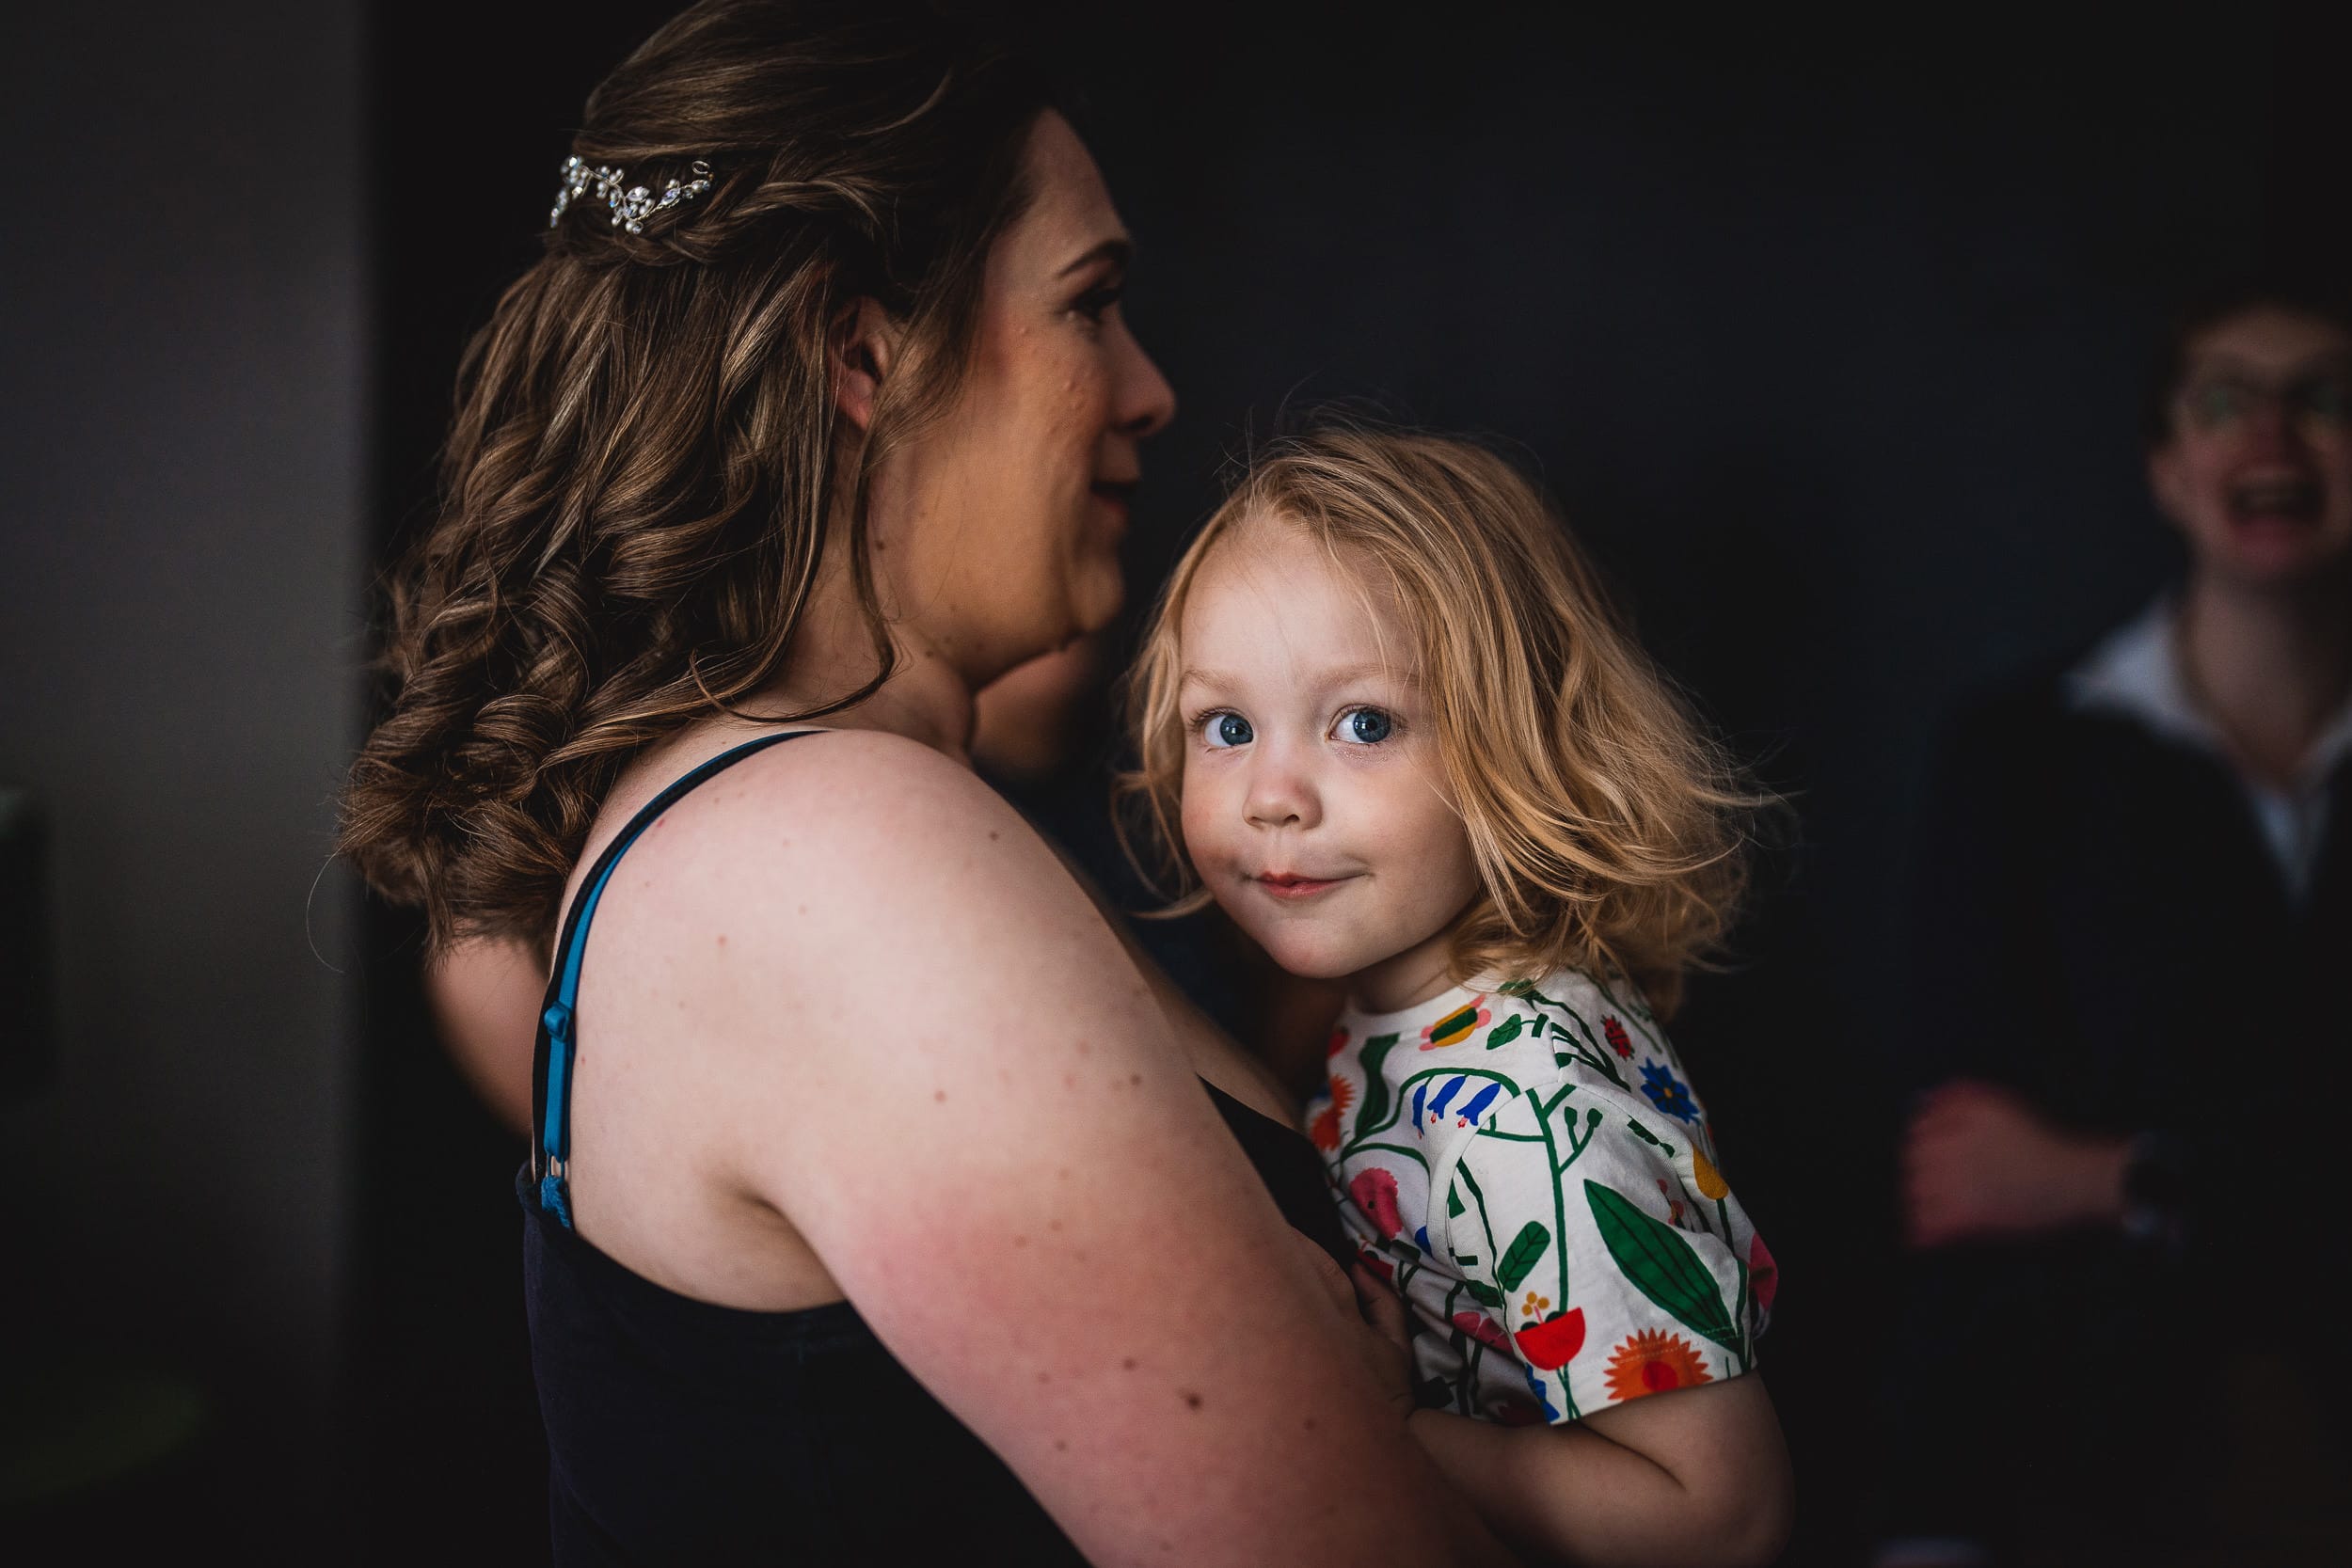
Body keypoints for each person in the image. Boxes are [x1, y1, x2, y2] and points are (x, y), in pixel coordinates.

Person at [340, 5, 1513, 1562]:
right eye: (1092, 304)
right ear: (865, 353)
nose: (1150, 389)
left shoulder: (775, 812)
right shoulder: (837, 856)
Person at [1118, 426, 1795, 1566]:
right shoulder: (1399, 1014)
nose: (1273, 795)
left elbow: (1721, 1514)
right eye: (1226, 727)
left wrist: (1387, 1426)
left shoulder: (1533, 1097)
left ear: (1523, 745)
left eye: (1363, 722)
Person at [1881, 280, 2352, 1566]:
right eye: (2225, 400)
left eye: (2322, 398)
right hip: (2068, 1445)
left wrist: (2112, 1174)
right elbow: (1961, 1171)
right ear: (2166, 463)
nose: (2273, 437)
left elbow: (2038, 1172)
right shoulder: (2019, 757)